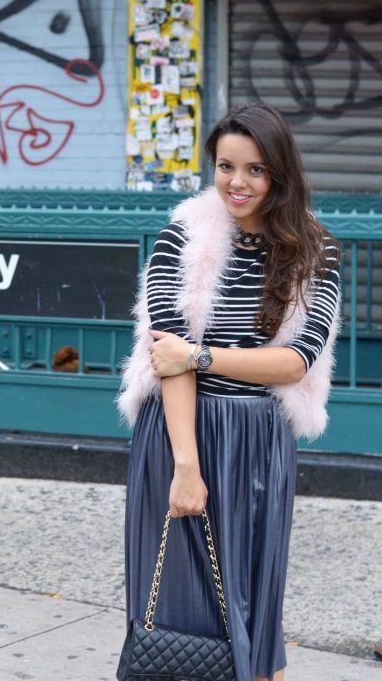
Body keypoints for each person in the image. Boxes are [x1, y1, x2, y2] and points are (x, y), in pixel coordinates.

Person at [118, 101, 341, 681]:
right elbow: (168, 362)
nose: (237, 183)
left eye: (255, 170)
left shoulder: (316, 252)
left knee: (256, 609)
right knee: (176, 613)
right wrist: (186, 465)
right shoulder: (181, 240)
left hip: (259, 443)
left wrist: (201, 355)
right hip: (177, 435)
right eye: (225, 167)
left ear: (280, 175)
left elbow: (294, 362)